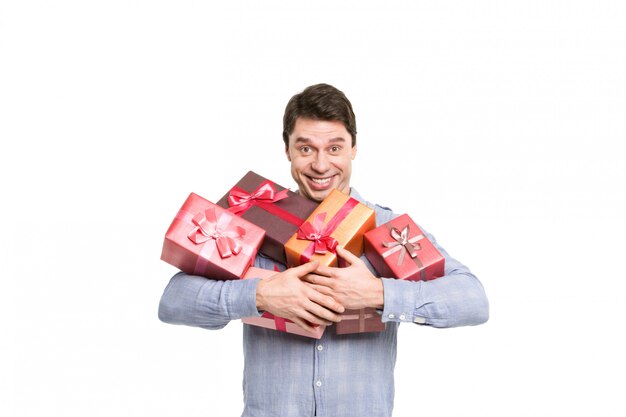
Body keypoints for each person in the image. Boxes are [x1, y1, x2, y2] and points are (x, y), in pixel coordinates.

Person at [158, 83, 489, 417]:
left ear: (353, 148)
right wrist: (260, 296)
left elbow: (473, 300)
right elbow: (173, 301)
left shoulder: (389, 229)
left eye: (334, 148)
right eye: (305, 149)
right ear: (287, 149)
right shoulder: (252, 222)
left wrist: (377, 292)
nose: (320, 165)